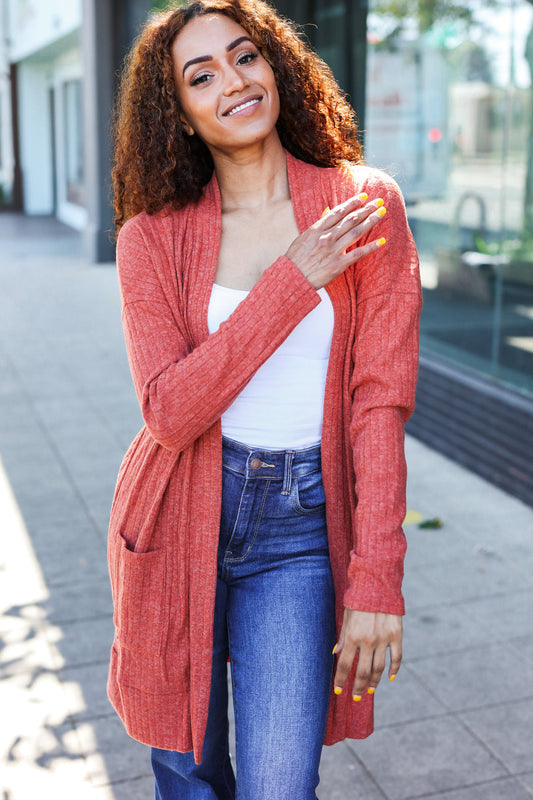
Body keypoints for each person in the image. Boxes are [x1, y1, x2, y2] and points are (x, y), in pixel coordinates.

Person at [107, 1, 422, 798]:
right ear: (177, 112)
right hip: (178, 512)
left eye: (244, 57)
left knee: (279, 785)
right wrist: (292, 281)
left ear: (276, 65)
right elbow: (170, 412)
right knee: (188, 770)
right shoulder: (151, 237)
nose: (233, 83)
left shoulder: (362, 204)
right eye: (200, 75)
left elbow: (377, 403)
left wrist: (376, 578)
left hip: (301, 529)